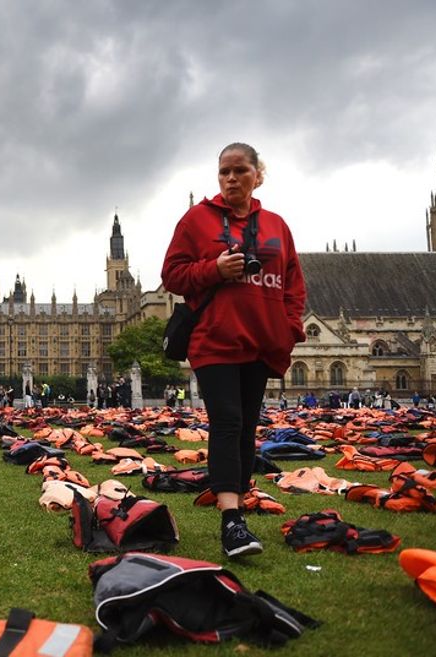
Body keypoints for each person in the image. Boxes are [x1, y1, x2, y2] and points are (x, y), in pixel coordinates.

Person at [161, 142, 306, 559]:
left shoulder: (276, 225)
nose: (230, 178)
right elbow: (172, 274)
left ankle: (238, 502)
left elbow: (294, 281)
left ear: (257, 174)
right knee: (226, 422)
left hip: (260, 341)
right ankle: (231, 522)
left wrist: (289, 326)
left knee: (244, 427)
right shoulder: (197, 219)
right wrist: (215, 269)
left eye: (239, 170)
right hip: (214, 340)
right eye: (224, 171)